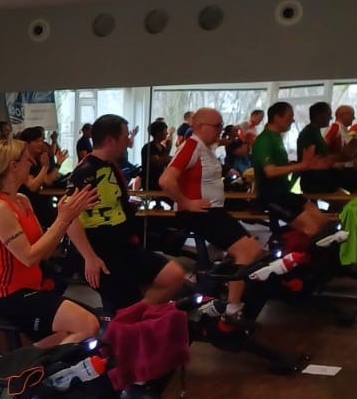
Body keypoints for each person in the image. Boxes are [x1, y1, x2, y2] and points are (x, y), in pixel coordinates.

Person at [0, 140, 101, 345]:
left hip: (31, 288)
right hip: (7, 295)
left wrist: (66, 219)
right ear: (14, 166)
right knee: (88, 325)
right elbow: (28, 257)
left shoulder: (22, 200)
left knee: (79, 328)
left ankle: (29, 361)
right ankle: (32, 364)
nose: (32, 164)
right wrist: (62, 220)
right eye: (28, 160)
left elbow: (44, 252)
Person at [66, 115, 186, 314]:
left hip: (122, 247)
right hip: (99, 252)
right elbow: (68, 218)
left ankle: (135, 317)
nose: (129, 142)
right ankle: (130, 320)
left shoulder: (111, 165)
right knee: (126, 304)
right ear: (110, 141)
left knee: (172, 275)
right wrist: (90, 257)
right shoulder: (86, 172)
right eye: (125, 138)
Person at [162, 108, 267, 321]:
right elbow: (166, 180)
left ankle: (220, 291)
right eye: (217, 126)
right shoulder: (191, 146)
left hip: (212, 211)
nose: (221, 129)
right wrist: (186, 203)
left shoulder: (205, 148)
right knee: (248, 251)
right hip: (200, 213)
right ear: (200, 127)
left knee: (253, 250)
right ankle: (231, 310)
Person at [250, 102, 335, 238]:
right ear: (277, 117)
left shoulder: (277, 137)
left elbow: (280, 165)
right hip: (271, 196)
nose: (293, 120)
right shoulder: (264, 140)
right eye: (289, 117)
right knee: (312, 229)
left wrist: (300, 165)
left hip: (284, 193)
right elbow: (270, 171)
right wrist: (301, 165)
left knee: (323, 222)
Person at [140, 120, 173, 193]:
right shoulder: (149, 148)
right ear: (158, 133)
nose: (167, 133)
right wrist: (168, 150)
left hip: (160, 182)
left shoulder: (162, 147)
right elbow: (159, 163)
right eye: (165, 131)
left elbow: (167, 162)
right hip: (151, 184)